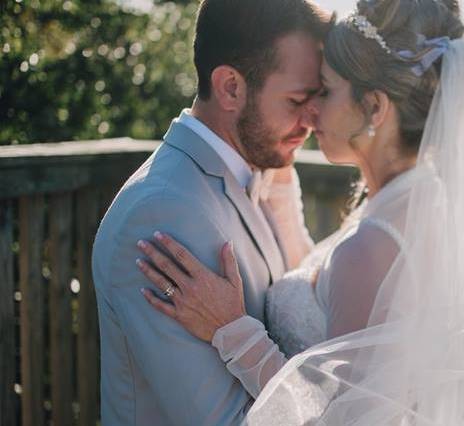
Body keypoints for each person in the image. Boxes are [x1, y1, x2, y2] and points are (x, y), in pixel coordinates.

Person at [137, 0, 464, 424]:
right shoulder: (426, 203)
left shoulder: (373, 247)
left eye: (327, 92)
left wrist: (235, 334)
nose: (311, 111)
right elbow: (349, 324)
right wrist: (285, 199)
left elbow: (338, 417)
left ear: (375, 109)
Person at [91, 0, 333, 424]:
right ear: (231, 88)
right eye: (297, 100)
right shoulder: (163, 213)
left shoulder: (249, 176)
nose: (310, 121)